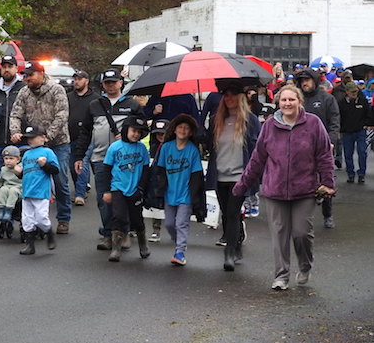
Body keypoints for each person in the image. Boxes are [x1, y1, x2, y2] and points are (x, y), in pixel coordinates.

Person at [233, 84, 335, 290]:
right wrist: (241, 186)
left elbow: (324, 155)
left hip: (304, 189)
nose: (287, 103)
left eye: (292, 100)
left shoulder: (313, 124)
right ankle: (281, 275)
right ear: (278, 102)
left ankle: (305, 265)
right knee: (279, 234)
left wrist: (328, 182)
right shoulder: (270, 126)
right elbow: (257, 159)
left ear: (299, 102)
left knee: (301, 233)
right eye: (283, 100)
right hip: (274, 190)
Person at [72, 69, 142, 251]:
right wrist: (80, 156)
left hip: (125, 160)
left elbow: (142, 129)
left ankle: (123, 232)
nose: (111, 85)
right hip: (100, 158)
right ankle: (109, 234)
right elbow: (85, 132)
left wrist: (128, 137)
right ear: (102, 84)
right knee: (104, 198)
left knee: (123, 197)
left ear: (121, 82)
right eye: (107, 82)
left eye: (114, 81)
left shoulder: (132, 105)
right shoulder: (95, 105)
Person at [204, 83, 261, 271]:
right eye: (225, 95)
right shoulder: (216, 120)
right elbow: (207, 145)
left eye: (232, 95)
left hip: (240, 176)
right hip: (220, 175)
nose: (229, 98)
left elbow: (259, 148)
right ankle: (236, 244)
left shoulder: (250, 121)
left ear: (241, 97)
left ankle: (229, 252)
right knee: (226, 214)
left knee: (232, 212)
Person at [10, 61, 71, 234]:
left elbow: (62, 115)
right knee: (32, 178)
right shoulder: (24, 92)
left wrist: (47, 137)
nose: (27, 78)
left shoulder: (56, 90)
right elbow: (16, 114)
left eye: (31, 74)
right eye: (25, 75)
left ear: (41, 73)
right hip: (34, 143)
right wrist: (15, 131)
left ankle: (63, 218)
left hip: (58, 142)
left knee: (60, 181)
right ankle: (33, 219)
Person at [155, 114, 205, 266]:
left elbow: (197, 175)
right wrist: (158, 189)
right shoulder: (166, 147)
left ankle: (180, 252)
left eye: (187, 128)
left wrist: (195, 196)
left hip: (185, 194)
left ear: (190, 133)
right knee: (170, 224)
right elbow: (160, 169)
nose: (183, 130)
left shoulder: (193, 150)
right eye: (180, 127)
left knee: (181, 224)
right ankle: (179, 243)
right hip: (169, 193)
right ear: (174, 130)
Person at [102, 115, 151, 262]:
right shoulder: (115, 147)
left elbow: (146, 169)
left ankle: (143, 244)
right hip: (118, 188)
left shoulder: (142, 148)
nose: (136, 134)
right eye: (133, 130)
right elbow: (106, 169)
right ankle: (116, 248)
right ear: (126, 129)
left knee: (137, 219)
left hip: (135, 189)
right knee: (119, 216)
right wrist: (107, 190)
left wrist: (141, 189)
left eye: (139, 132)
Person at [296, 68, 340, 228]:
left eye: (307, 80)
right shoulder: (297, 100)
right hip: (301, 149)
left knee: (326, 181)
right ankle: (303, 216)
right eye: (302, 81)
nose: (304, 83)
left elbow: (334, 121)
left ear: (314, 81)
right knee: (302, 182)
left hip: (323, 148)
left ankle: (328, 215)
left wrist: (331, 140)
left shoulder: (327, 98)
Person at [16, 124, 59, 256]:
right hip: (27, 191)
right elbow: (25, 173)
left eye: (33, 138)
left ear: (43, 138)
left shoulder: (47, 152)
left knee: (41, 218)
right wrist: (18, 173)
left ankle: (49, 232)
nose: (30, 140)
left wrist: (45, 164)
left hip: (41, 191)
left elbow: (56, 170)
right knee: (27, 220)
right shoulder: (27, 154)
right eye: (28, 138)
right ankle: (30, 245)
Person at [67, 70, 96, 205]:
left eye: (79, 79)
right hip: (71, 136)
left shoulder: (95, 98)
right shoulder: (68, 97)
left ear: (87, 81)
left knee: (82, 164)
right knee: (73, 166)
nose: (76, 81)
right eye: (75, 79)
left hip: (89, 137)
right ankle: (82, 187)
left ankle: (79, 194)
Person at [337, 80, 370, 184]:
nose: (354, 94)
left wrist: (367, 124)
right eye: (352, 92)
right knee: (348, 154)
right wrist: (339, 130)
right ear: (347, 92)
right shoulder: (341, 103)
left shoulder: (362, 101)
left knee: (362, 152)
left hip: (360, 131)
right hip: (347, 132)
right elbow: (338, 118)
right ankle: (350, 174)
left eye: (355, 92)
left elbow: (368, 113)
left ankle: (361, 174)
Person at [0, 145, 22, 223]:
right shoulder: (4, 169)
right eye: (6, 159)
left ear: (18, 159)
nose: (8, 161)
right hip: (7, 186)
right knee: (3, 190)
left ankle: (9, 211)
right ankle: (2, 210)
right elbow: (0, 181)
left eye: (11, 158)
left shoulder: (20, 168)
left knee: (13, 191)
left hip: (18, 187)